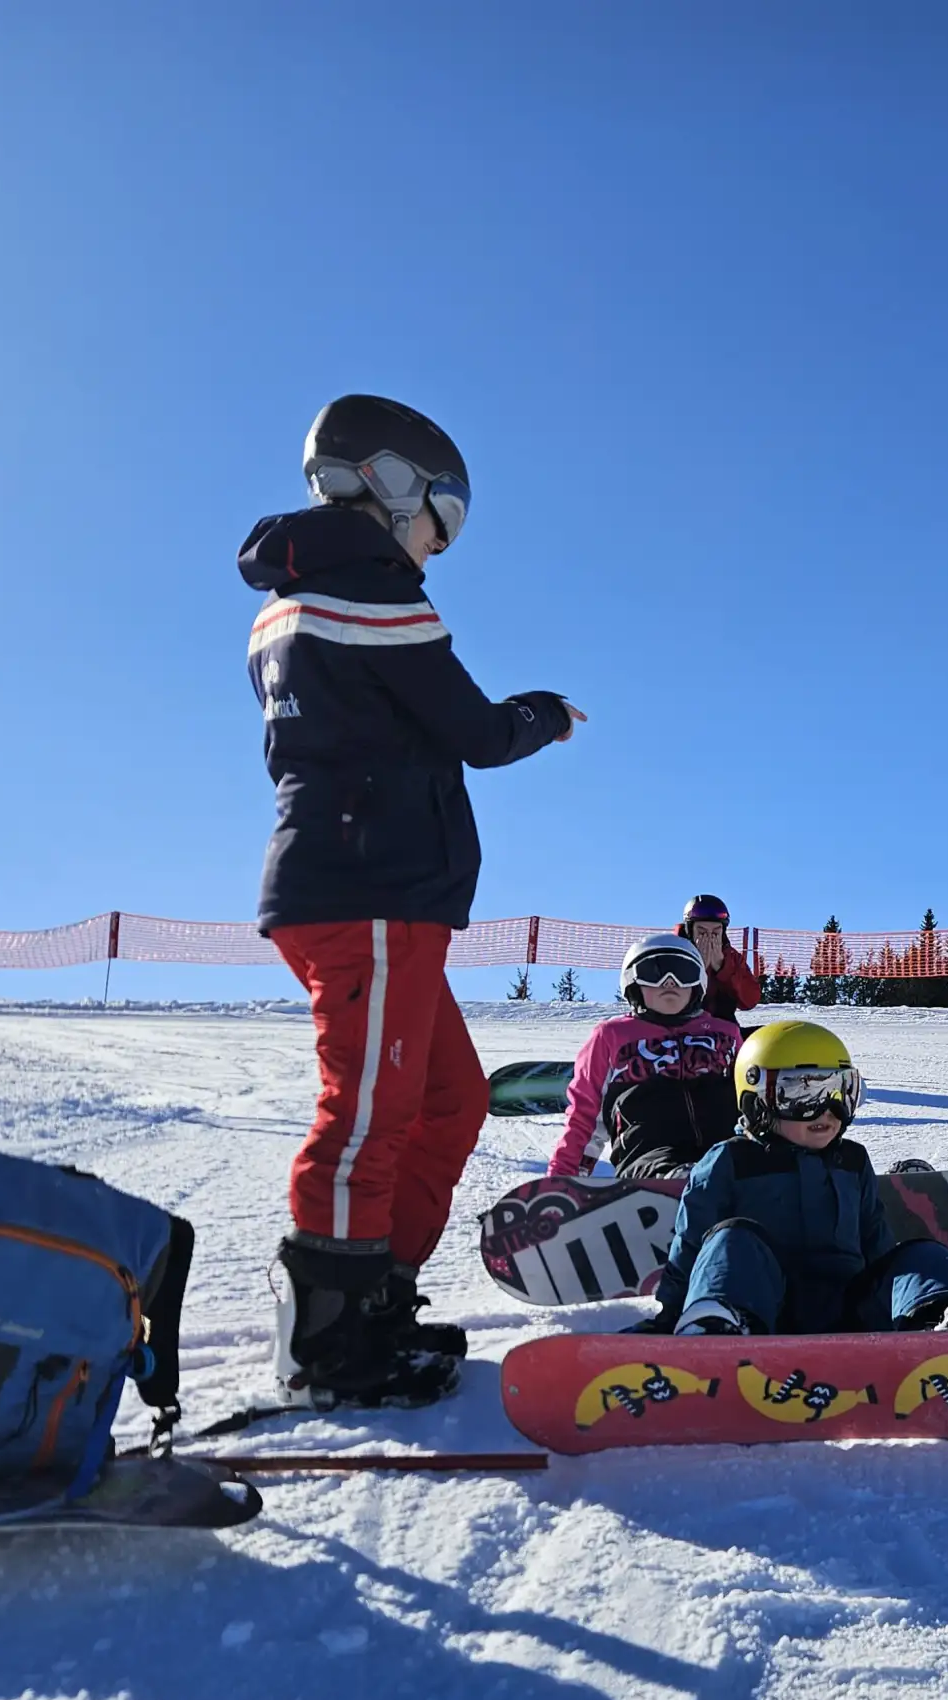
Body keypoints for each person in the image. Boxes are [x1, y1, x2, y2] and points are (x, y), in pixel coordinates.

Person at [242, 394, 580, 1408]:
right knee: (372, 1112)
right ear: (387, 485)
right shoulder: (370, 591)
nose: (442, 543)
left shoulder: (301, 602)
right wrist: (544, 716)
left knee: (447, 1100)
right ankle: (331, 1338)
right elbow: (471, 727)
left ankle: (377, 1290)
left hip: (366, 890)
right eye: (444, 515)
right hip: (370, 892)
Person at [647, 1021, 948, 1335]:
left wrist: (903, 1281)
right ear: (757, 1100)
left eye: (839, 1093)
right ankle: (713, 1326)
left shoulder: (851, 1160)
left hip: (850, 1310)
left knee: (922, 1252)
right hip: (762, 1311)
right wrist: (667, 1317)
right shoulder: (730, 1161)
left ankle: (947, 1325)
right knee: (732, 1241)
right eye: (803, 1095)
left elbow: (875, 1246)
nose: (827, 1112)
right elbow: (692, 1250)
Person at [546, 936, 745, 1181]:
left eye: (683, 972)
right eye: (654, 972)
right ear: (633, 982)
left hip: (725, 1148)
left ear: (698, 983)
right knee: (664, 1157)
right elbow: (585, 1114)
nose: (669, 981)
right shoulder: (612, 1035)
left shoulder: (725, 1033)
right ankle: (678, 1185)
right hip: (648, 1153)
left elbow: (752, 1100)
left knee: (739, 1153)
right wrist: (563, 1180)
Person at [680, 894, 764, 1022]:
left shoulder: (731, 957)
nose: (709, 938)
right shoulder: (673, 953)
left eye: (715, 933)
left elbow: (750, 1001)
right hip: (681, 1031)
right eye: (702, 933)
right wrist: (696, 969)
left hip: (723, 1032)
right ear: (689, 930)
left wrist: (723, 968)